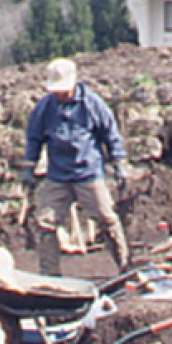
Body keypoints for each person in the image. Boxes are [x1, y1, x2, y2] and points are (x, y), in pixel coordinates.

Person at [23, 56, 131, 275]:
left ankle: (125, 265)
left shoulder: (92, 105)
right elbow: (34, 138)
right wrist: (29, 168)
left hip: (88, 173)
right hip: (58, 175)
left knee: (107, 219)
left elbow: (111, 135)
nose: (60, 94)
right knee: (45, 224)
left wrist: (119, 162)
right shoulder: (44, 108)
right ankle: (50, 276)